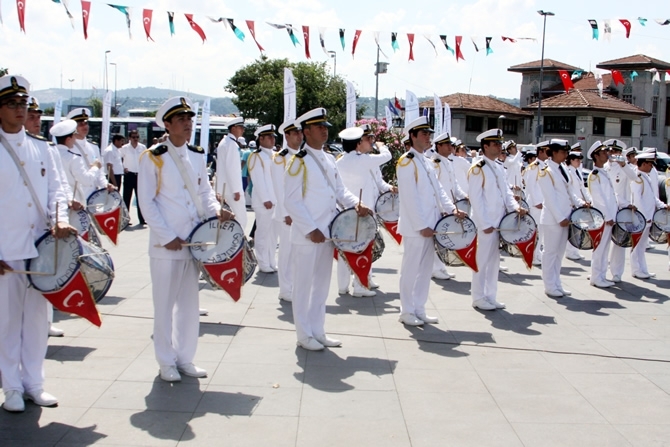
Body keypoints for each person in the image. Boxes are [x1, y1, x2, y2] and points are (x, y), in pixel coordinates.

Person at [137, 97, 234, 382]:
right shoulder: (153, 157)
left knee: (189, 305)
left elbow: (204, 192)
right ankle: (165, 360)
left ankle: (185, 358)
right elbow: (147, 202)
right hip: (166, 245)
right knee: (164, 305)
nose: (188, 123)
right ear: (166, 124)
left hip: (194, 241)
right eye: (181, 119)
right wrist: (167, 236)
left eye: (189, 118)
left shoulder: (196, 154)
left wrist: (216, 212)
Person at [0, 75, 74, 412]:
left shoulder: (42, 147)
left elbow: (57, 188)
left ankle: (34, 382)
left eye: (23, 104)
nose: (20, 110)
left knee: (37, 320)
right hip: (7, 250)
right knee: (7, 321)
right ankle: (11, 386)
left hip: (42, 248)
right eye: (12, 104)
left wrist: (61, 220)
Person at [284, 108, 372, 350]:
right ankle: (304, 335)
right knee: (303, 287)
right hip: (308, 235)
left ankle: (318, 330)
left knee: (321, 286)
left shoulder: (329, 159)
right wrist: (310, 229)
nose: (324, 130)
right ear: (306, 131)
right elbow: (291, 201)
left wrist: (357, 204)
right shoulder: (297, 162)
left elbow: (340, 191)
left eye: (325, 126)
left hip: (328, 232)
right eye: (319, 126)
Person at [396, 117, 463, 325]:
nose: (428, 137)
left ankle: (419, 308)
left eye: (429, 134)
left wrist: (452, 209)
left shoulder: (426, 161)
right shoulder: (406, 162)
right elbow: (409, 197)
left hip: (431, 225)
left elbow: (439, 190)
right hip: (416, 227)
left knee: (425, 270)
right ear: (413, 136)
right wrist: (420, 225)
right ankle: (406, 310)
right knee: (411, 269)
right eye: (424, 133)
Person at [468, 129, 526, 310]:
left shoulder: (498, 167)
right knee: (482, 261)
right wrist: (485, 223)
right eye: (496, 144)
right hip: (485, 224)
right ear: (485, 146)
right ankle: (478, 297)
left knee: (494, 262)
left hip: (499, 223)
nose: (500, 146)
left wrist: (515, 208)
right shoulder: (478, 169)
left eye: (500, 143)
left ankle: (490, 295)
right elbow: (475, 199)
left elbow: (506, 192)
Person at [335, 125, 392, 297]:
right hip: (363, 210)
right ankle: (360, 286)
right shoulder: (364, 160)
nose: (371, 143)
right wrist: (382, 146)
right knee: (363, 248)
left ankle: (343, 286)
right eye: (367, 140)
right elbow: (387, 156)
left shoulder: (338, 161)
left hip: (345, 211)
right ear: (358, 144)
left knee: (344, 248)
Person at [537, 139, 585, 298]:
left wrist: (581, 203)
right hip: (553, 219)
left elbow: (570, 191)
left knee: (559, 253)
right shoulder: (546, 171)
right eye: (563, 152)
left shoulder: (563, 168)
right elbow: (549, 198)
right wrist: (559, 217)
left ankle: (556, 282)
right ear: (554, 153)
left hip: (566, 216)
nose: (565, 155)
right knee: (550, 252)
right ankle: (549, 285)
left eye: (566, 152)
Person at [271, 119, 302, 302]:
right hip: (287, 215)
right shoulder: (280, 158)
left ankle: (293, 286)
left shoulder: (301, 156)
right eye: (295, 133)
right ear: (287, 136)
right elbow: (279, 187)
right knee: (286, 252)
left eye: (300, 132)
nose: (299, 136)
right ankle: (285, 289)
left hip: (300, 212)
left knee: (297, 252)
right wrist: (286, 213)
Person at [431, 132, 467, 280]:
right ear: (439, 146)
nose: (450, 147)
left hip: (449, 205)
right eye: (447, 145)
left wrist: (464, 196)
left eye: (451, 145)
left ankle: (441, 267)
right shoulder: (436, 164)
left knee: (443, 239)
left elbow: (454, 185)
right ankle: (435, 268)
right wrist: (443, 208)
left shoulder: (448, 162)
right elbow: (436, 189)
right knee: (437, 239)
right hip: (440, 207)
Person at [630, 152, 668, 279]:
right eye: (650, 164)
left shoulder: (645, 176)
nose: (652, 166)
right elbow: (637, 199)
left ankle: (643, 269)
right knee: (637, 244)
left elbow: (651, 197)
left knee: (642, 245)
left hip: (648, 217)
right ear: (644, 163)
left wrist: (662, 205)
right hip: (641, 217)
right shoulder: (637, 177)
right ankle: (636, 269)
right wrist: (644, 217)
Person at [605, 139, 637, 283]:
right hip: (606, 208)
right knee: (602, 241)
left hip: (621, 209)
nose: (613, 154)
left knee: (619, 243)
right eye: (610, 151)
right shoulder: (603, 167)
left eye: (616, 152)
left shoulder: (625, 167)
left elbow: (634, 178)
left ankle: (616, 272)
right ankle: (599, 270)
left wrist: (623, 164)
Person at [248, 124, 278, 273]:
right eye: (270, 137)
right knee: (262, 233)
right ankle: (262, 262)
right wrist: (265, 198)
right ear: (261, 138)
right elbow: (258, 179)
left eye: (273, 137)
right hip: (263, 202)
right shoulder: (256, 156)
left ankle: (271, 260)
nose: (273, 139)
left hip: (275, 201)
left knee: (273, 235)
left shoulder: (274, 155)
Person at [586, 142, 618, 288]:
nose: (607, 154)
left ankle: (602, 275)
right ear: (596, 156)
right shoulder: (594, 176)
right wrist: (607, 216)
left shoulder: (604, 172)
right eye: (604, 153)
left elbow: (611, 196)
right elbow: (599, 199)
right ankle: (596, 277)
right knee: (599, 248)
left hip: (609, 217)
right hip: (603, 218)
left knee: (605, 248)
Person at [215, 117, 246, 231]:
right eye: (241, 127)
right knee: (240, 221)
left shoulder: (225, 142)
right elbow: (232, 169)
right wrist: (236, 190)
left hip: (225, 189)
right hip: (232, 190)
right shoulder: (232, 144)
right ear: (234, 128)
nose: (243, 130)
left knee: (228, 223)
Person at [523, 142, 549, 266]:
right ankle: (532, 255)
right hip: (536, 204)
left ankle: (537, 253)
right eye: (546, 151)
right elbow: (531, 185)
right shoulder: (534, 166)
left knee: (542, 231)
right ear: (540, 152)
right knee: (536, 231)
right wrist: (537, 201)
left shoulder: (545, 165)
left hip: (543, 204)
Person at [565, 150, 591, 261]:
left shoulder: (577, 171)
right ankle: (570, 251)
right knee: (573, 228)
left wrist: (589, 200)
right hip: (573, 203)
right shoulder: (569, 172)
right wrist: (579, 202)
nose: (579, 162)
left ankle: (575, 250)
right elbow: (571, 191)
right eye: (577, 160)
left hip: (580, 203)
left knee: (579, 228)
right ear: (571, 160)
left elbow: (582, 188)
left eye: (580, 160)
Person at [119, 129, 146, 226]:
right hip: (129, 174)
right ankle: (125, 220)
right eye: (133, 137)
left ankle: (142, 219)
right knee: (126, 198)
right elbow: (118, 158)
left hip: (139, 175)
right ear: (129, 138)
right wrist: (123, 168)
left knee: (140, 198)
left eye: (137, 137)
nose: (136, 139)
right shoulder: (125, 148)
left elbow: (146, 160)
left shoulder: (142, 147)